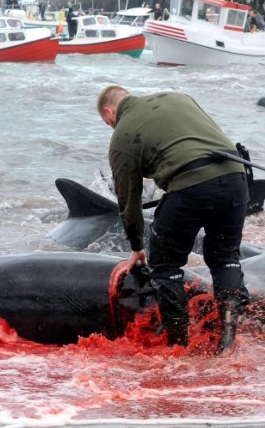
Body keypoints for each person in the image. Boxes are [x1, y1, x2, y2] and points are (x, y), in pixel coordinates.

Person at [96, 85, 250, 352]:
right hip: (237, 178)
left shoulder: (122, 135)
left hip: (191, 187)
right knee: (225, 258)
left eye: (107, 122)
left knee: (166, 267)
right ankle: (227, 338)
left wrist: (136, 246)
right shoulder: (177, 97)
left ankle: (179, 344)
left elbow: (128, 198)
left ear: (110, 112)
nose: (111, 126)